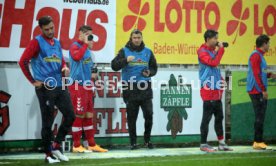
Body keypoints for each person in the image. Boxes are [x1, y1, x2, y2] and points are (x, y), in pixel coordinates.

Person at [19, 16, 75, 163]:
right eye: (47, 29)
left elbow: (61, 61)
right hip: (45, 87)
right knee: (48, 121)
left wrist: (65, 68)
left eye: (52, 28)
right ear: (41, 29)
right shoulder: (36, 42)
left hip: (59, 85)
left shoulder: (57, 42)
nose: (50, 31)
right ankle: (48, 155)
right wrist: (33, 81)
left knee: (70, 115)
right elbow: (23, 61)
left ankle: (56, 146)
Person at [111, 29, 158, 150]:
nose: (137, 40)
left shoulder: (148, 52)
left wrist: (149, 72)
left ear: (142, 38)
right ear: (131, 39)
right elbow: (114, 65)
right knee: (132, 117)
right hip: (130, 88)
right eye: (134, 38)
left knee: (149, 114)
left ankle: (147, 140)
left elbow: (154, 68)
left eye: (139, 38)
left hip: (145, 88)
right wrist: (125, 60)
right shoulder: (124, 51)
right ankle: (133, 142)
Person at [68, 25, 108, 153]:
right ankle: (76, 145)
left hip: (87, 87)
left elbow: (90, 70)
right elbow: (77, 57)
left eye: (91, 36)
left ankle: (91, 144)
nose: (90, 39)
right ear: (80, 34)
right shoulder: (74, 46)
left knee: (89, 115)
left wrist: (93, 79)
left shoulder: (89, 52)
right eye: (87, 36)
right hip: (77, 85)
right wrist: (85, 44)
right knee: (79, 114)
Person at [197, 29, 232, 152]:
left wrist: (222, 84)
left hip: (216, 89)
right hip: (208, 89)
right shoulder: (202, 51)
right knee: (206, 118)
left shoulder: (213, 51)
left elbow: (216, 70)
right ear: (208, 39)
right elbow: (213, 63)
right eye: (215, 38)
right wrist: (221, 50)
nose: (217, 41)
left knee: (220, 117)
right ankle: (203, 144)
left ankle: (222, 143)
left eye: (217, 38)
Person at [246, 34, 276, 150]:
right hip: (256, 90)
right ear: (264, 44)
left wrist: (270, 75)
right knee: (259, 115)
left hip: (258, 89)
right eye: (268, 44)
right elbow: (256, 73)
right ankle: (257, 141)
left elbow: (261, 72)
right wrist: (263, 90)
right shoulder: (255, 56)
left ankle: (258, 141)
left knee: (261, 115)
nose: (269, 46)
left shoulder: (260, 56)